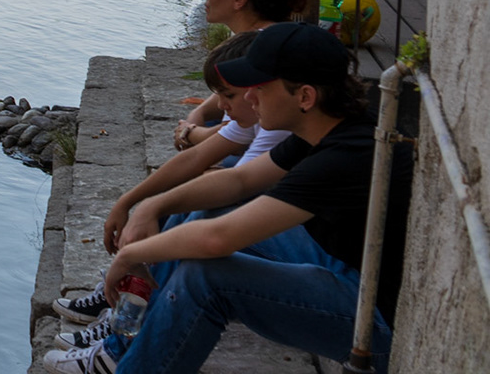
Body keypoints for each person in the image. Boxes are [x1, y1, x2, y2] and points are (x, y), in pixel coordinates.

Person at [42, 22, 408, 374]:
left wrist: (130, 254)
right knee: (206, 212)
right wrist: (152, 205)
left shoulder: (346, 155)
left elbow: (219, 239)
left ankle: (128, 357)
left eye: (260, 87)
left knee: (206, 277)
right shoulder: (328, 127)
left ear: (305, 97)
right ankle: (126, 340)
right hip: (345, 265)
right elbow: (239, 181)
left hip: (375, 320)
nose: (249, 96)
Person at [173, 0, 309, 153]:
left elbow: (237, 132)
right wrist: (198, 114)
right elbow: (226, 96)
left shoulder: (260, 51)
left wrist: (189, 132)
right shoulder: (264, 35)